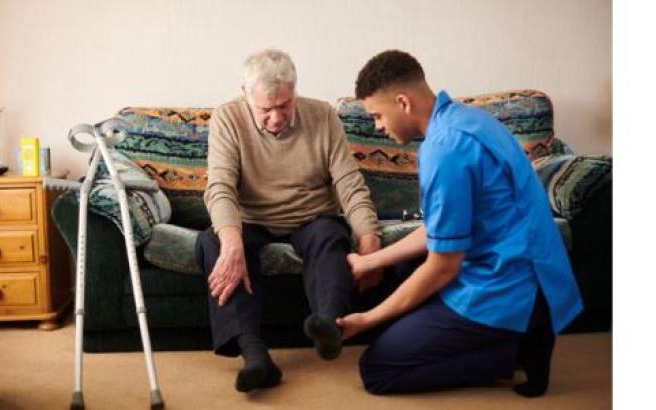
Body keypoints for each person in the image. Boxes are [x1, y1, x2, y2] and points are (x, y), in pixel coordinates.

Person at [336, 49, 584, 396]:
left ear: (403, 102)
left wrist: (368, 320)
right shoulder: (467, 119)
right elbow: (440, 228)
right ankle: (510, 333)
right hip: (531, 268)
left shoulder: (443, 149)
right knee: (403, 271)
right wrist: (370, 260)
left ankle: (514, 351)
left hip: (508, 284)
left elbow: (443, 266)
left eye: (377, 115)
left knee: (378, 369)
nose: (378, 125)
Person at [196, 49, 384, 393]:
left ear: (294, 91)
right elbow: (220, 186)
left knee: (331, 233)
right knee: (212, 241)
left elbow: (349, 184)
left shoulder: (323, 115)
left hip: (310, 215)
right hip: (251, 219)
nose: (276, 117)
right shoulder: (227, 118)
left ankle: (327, 324)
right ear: (245, 95)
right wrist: (232, 242)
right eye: (265, 110)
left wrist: (370, 238)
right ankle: (256, 357)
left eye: (284, 105)